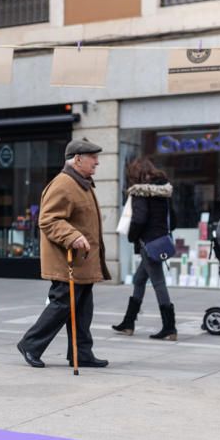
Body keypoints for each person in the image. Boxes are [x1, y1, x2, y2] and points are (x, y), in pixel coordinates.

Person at [16, 139, 111, 369]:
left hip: (83, 262)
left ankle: (82, 354)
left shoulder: (82, 183)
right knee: (61, 305)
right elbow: (48, 219)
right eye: (92, 157)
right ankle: (30, 344)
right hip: (66, 261)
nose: (97, 161)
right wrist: (73, 236)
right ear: (78, 159)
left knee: (82, 310)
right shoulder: (63, 184)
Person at [111, 157, 176, 340]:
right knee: (139, 280)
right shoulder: (164, 192)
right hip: (160, 241)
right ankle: (128, 322)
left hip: (148, 243)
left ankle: (169, 327)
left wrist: (132, 236)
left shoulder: (140, 192)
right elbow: (175, 218)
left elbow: (139, 219)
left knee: (158, 283)